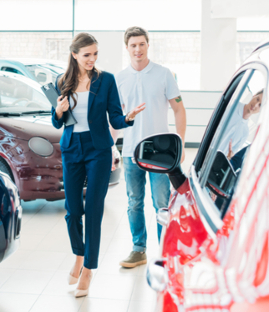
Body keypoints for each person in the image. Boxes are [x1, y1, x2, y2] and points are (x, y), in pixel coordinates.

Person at [52, 32, 145, 297]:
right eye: (86, 55)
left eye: (95, 54)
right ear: (74, 55)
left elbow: (115, 119)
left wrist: (128, 118)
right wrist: (58, 112)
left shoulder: (106, 80)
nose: (92, 59)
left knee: (93, 210)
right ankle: (79, 255)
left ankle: (89, 269)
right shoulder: (63, 81)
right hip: (72, 149)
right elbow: (58, 122)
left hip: (99, 150)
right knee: (72, 211)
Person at [116, 26, 187, 268]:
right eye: (133, 45)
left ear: (148, 45)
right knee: (134, 201)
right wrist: (110, 146)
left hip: (160, 152)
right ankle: (139, 249)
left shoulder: (164, 74)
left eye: (141, 44)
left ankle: (165, 251)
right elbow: (116, 118)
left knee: (162, 203)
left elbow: (179, 109)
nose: (138, 49)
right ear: (127, 48)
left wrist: (181, 143)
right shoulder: (119, 79)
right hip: (130, 152)